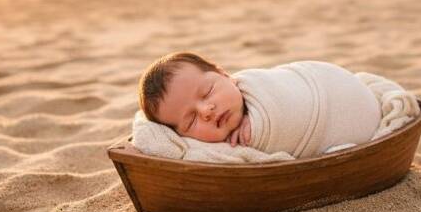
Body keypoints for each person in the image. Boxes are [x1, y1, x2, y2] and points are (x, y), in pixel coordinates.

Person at [138, 52, 383, 158]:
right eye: (190, 121)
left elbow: (283, 94)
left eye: (208, 91)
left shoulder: (255, 84)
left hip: (334, 89)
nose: (206, 111)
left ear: (223, 74)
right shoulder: (211, 149)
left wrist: (259, 121)